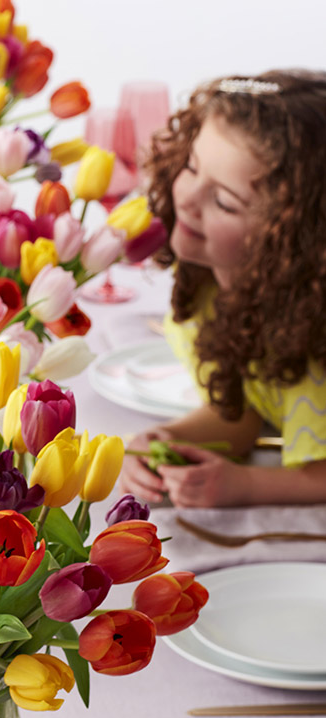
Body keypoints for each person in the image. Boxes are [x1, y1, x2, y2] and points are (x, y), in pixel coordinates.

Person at [119, 69, 326, 508]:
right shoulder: (210, 284)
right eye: (191, 167)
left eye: (225, 202)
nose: (188, 198)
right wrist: (167, 439)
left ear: (293, 237)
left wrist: (246, 485)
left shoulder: (311, 340)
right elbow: (242, 411)